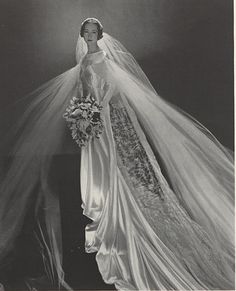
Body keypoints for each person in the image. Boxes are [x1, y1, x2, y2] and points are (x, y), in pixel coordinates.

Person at [0, 17, 234, 290]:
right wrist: (84, 113)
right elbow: (84, 94)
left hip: (107, 124)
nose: (89, 36)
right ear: (81, 35)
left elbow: (112, 93)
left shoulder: (104, 61)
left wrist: (96, 110)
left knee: (114, 170)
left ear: (99, 35)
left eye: (93, 33)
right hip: (95, 127)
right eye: (85, 33)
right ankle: (106, 204)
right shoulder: (84, 63)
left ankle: (122, 216)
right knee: (97, 170)